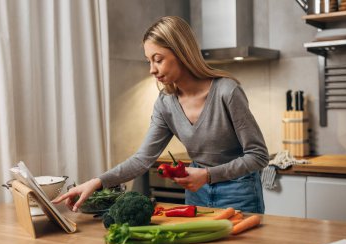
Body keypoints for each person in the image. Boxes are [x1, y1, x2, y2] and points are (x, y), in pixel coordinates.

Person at [53, 16, 269, 213]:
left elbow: (258, 155)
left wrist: (208, 175)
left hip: (239, 192)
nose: (152, 69)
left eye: (158, 59)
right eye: (149, 61)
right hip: (197, 194)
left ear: (182, 53)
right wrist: (97, 182)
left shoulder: (227, 91)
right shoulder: (165, 103)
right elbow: (142, 160)